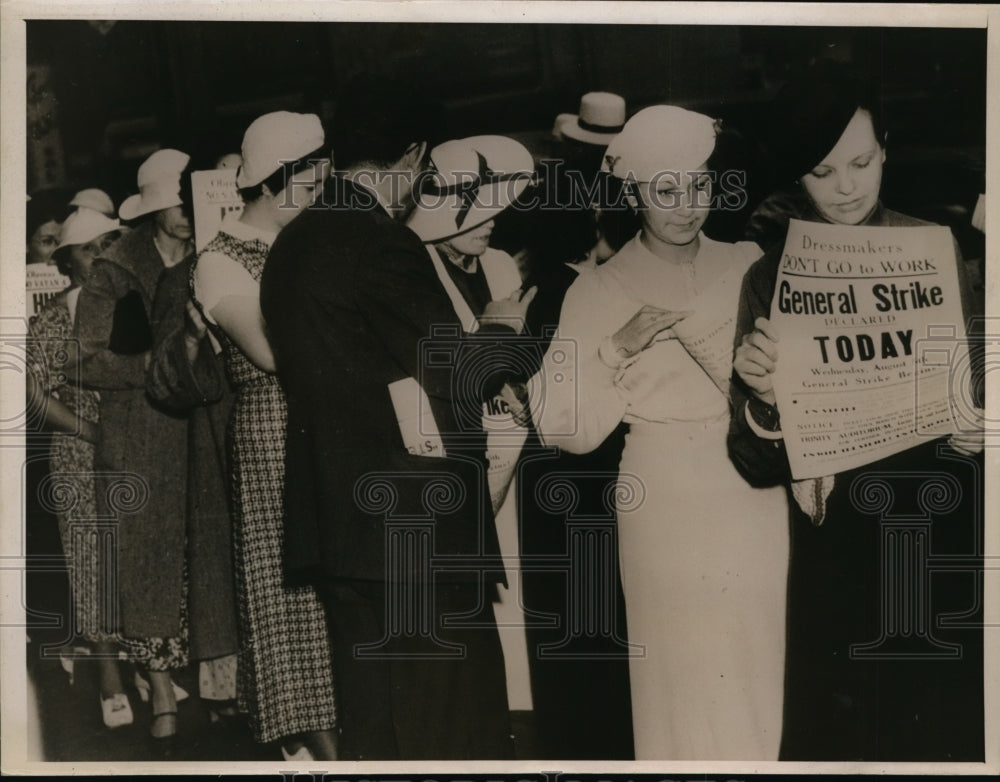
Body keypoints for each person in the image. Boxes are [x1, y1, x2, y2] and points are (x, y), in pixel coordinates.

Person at [260, 77, 536, 760]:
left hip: (339, 527)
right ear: (412, 155)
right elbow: (455, 376)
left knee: (376, 726)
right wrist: (504, 331)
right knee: (450, 726)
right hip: (416, 528)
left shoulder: (291, 246)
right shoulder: (381, 243)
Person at [728, 60, 985, 762]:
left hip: (937, 532)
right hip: (837, 553)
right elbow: (749, 458)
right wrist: (763, 402)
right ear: (794, 176)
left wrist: (978, 422)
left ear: (886, 150)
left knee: (939, 731)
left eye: (862, 162)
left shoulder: (945, 251)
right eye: (821, 171)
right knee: (844, 734)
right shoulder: (768, 278)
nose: (846, 188)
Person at [535, 105, 789, 760]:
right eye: (666, 191)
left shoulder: (748, 263)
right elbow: (565, 428)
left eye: (698, 186)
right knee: (678, 671)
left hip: (749, 485)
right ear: (635, 193)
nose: (686, 206)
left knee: (757, 659)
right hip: (662, 493)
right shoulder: (597, 288)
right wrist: (616, 349)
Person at [191, 111, 338, 760]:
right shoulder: (219, 261)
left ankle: (342, 729)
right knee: (288, 591)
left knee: (333, 583)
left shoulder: (310, 241)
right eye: (312, 179)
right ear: (280, 180)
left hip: (328, 417)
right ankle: (309, 737)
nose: (321, 191)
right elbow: (272, 352)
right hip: (272, 428)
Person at [75, 148, 196, 743]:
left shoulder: (209, 258)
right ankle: (163, 692)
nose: (186, 213)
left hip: (199, 428)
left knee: (198, 557)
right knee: (146, 565)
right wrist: (157, 364)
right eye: (175, 203)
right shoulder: (115, 268)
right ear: (153, 209)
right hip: (139, 432)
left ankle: (220, 682)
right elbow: (84, 359)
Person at [26, 207, 130, 728]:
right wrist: (87, 430)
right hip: (76, 451)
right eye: (95, 248)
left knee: (133, 553)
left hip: (131, 447)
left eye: (112, 244)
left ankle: (152, 669)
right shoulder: (51, 319)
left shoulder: (125, 307)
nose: (106, 255)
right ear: (69, 260)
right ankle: (111, 680)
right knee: (92, 563)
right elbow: (32, 393)